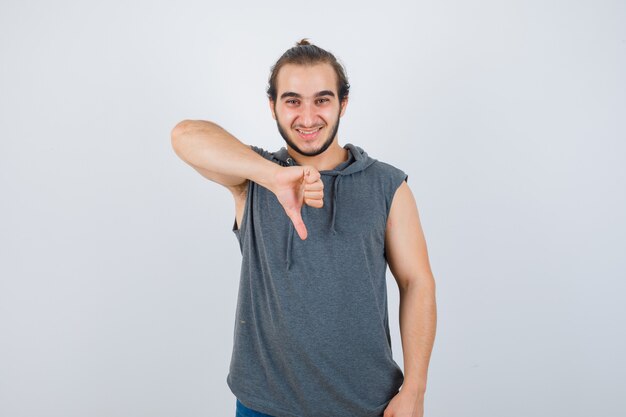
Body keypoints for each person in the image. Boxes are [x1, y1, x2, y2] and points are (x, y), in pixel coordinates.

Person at [171, 39, 437, 417]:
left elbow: (417, 283)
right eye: (293, 100)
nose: (308, 117)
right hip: (263, 405)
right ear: (273, 106)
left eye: (322, 100)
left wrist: (415, 389)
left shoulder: (387, 185)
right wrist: (274, 177)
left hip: (366, 405)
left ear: (343, 103)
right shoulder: (251, 176)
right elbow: (184, 135)